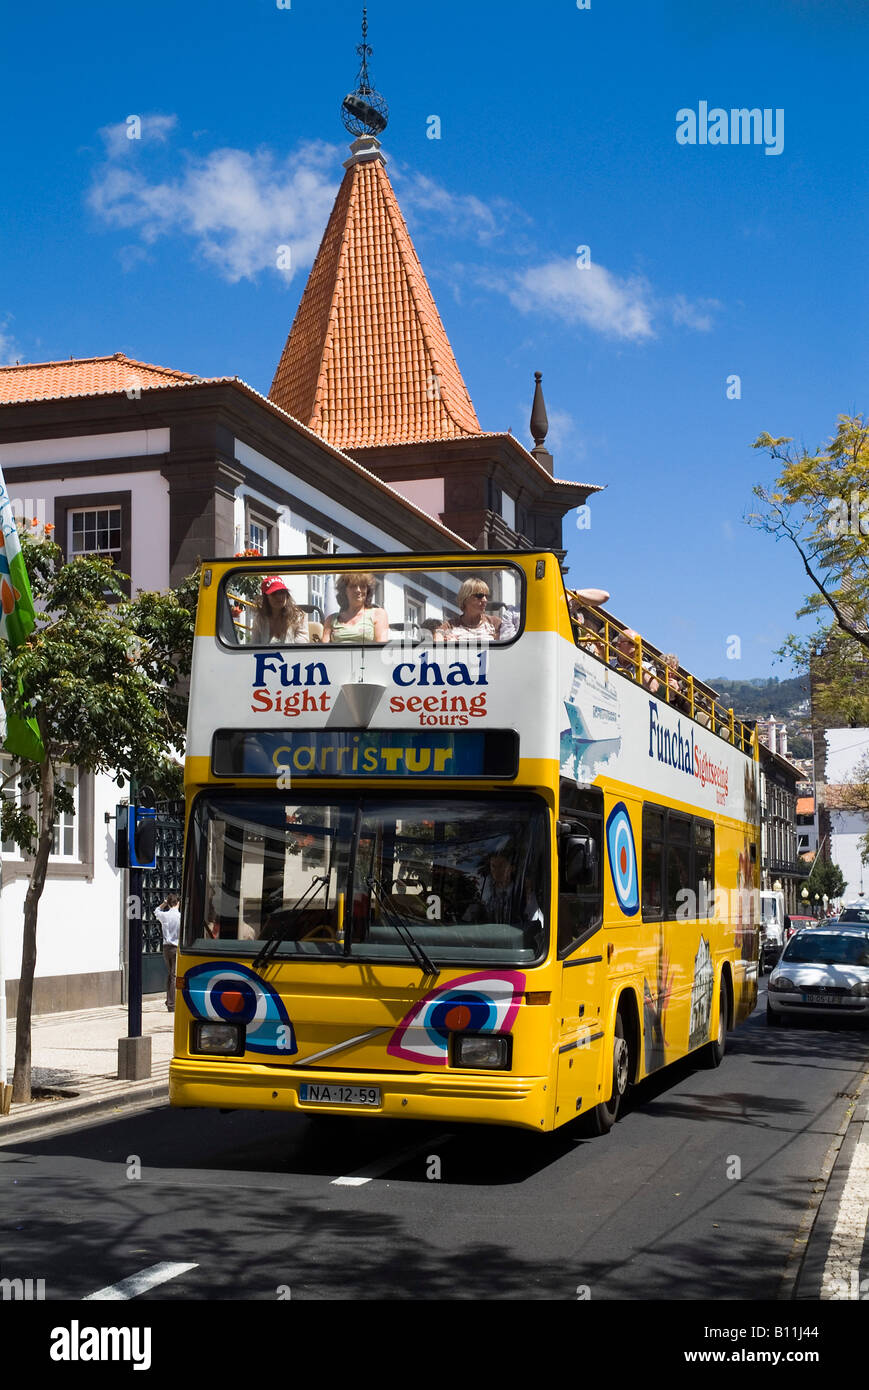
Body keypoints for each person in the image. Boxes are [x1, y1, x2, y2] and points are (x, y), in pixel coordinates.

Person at [322, 572, 389, 644]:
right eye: (353, 586)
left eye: (362, 586)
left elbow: (381, 648)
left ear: (368, 590)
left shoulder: (378, 614)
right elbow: (323, 650)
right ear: (344, 590)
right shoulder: (331, 619)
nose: (358, 590)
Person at [252, 576, 308, 644]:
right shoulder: (259, 619)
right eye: (274, 593)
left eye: (282, 592)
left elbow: (301, 646)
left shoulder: (299, 617)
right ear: (266, 597)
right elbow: (254, 645)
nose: (279, 597)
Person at [154, 894, 180, 1012]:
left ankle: (169, 1001)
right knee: (174, 975)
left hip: (166, 948)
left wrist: (164, 903)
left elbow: (156, 911)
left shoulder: (164, 916)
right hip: (176, 948)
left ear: (169, 904)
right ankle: (172, 1004)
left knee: (170, 974)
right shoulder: (180, 917)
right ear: (178, 903)